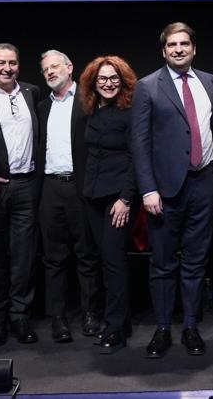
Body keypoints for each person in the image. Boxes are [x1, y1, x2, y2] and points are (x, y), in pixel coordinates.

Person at [132, 22, 213, 358]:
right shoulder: (147, 86)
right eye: (172, 45)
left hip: (203, 184)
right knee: (163, 264)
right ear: (164, 51)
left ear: (194, 49)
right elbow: (139, 142)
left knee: (196, 262)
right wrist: (148, 189)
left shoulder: (210, 82)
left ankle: (190, 326)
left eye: (184, 44)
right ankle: (163, 329)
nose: (179, 49)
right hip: (165, 191)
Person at [0, 43, 41, 348]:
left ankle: (20, 317)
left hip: (27, 185)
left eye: (12, 63)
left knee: (24, 257)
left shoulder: (31, 92)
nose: (7, 68)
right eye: (0, 62)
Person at [36, 50, 101, 343]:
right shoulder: (41, 107)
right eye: (45, 69)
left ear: (70, 67)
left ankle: (90, 314)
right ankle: (58, 317)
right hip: (51, 188)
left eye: (55, 66)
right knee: (54, 258)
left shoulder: (89, 100)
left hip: (80, 187)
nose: (50, 72)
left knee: (87, 255)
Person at [79, 55, 139, 355]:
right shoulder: (91, 112)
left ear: (123, 81)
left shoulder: (131, 113)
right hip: (93, 196)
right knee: (104, 260)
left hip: (119, 198)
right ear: (93, 83)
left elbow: (137, 158)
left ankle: (116, 328)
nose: (108, 83)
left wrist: (126, 199)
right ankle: (118, 321)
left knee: (115, 261)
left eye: (114, 78)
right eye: (102, 79)